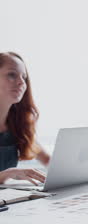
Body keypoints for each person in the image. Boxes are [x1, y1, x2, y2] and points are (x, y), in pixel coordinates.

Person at [0, 52, 49, 185]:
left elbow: (48, 160)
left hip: (9, 202)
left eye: (24, 77)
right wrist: (8, 174)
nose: (22, 82)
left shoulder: (17, 124)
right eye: (12, 74)